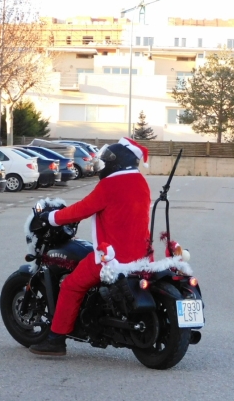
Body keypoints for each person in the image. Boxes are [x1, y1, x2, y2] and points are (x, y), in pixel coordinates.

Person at [29, 137, 152, 357]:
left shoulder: (110, 184)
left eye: (107, 160)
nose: (103, 164)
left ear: (118, 161)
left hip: (113, 258)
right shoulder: (140, 182)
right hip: (142, 257)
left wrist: (52, 218)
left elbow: (83, 209)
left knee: (71, 286)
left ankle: (55, 340)